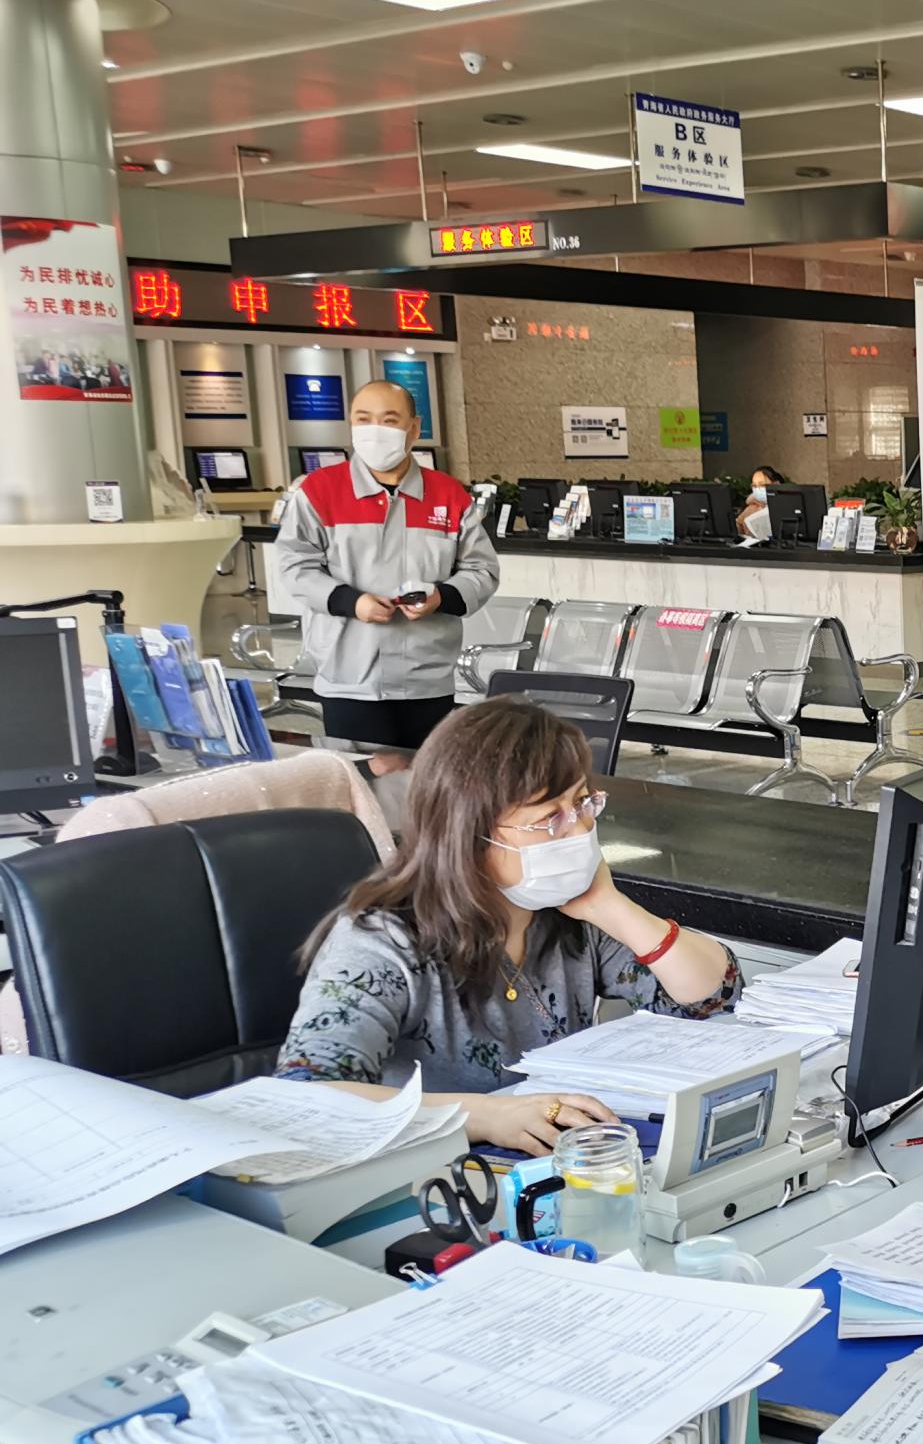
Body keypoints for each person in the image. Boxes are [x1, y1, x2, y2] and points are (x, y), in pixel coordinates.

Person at [276, 698, 743, 1154]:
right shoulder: (384, 941)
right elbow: (304, 1097)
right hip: (438, 1177)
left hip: (565, 1161)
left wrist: (611, 906)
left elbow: (713, 1000)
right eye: (549, 819)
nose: (579, 830)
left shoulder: (568, 914)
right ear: (468, 833)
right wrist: (483, 1116)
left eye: (582, 803)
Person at [270, 379, 499, 751]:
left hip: (427, 678)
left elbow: (481, 570)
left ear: (414, 428)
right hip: (350, 676)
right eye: (363, 419)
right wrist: (350, 601)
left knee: (427, 781)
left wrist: (441, 597)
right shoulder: (320, 490)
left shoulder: (448, 494)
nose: (375, 430)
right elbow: (294, 565)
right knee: (360, 781)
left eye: (389, 420)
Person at [740, 465, 786, 541]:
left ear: (776, 484)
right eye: (754, 486)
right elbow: (737, 527)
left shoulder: (786, 508)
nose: (758, 489)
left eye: (762, 485)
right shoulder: (751, 508)